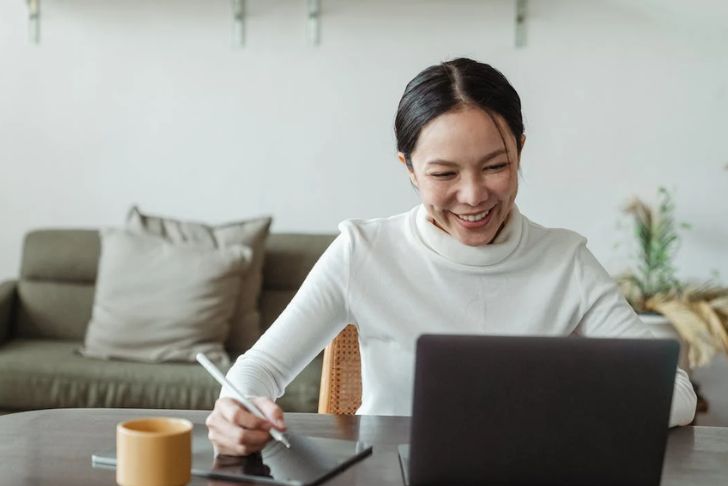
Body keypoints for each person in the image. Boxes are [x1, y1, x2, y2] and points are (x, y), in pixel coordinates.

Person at [205, 58, 697, 455]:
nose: (473, 195)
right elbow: (259, 369)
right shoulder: (363, 252)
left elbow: (677, 393)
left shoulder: (565, 261)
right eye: (444, 174)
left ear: (520, 151)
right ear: (410, 169)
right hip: (387, 475)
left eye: (496, 166)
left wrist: (565, 401)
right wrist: (237, 408)